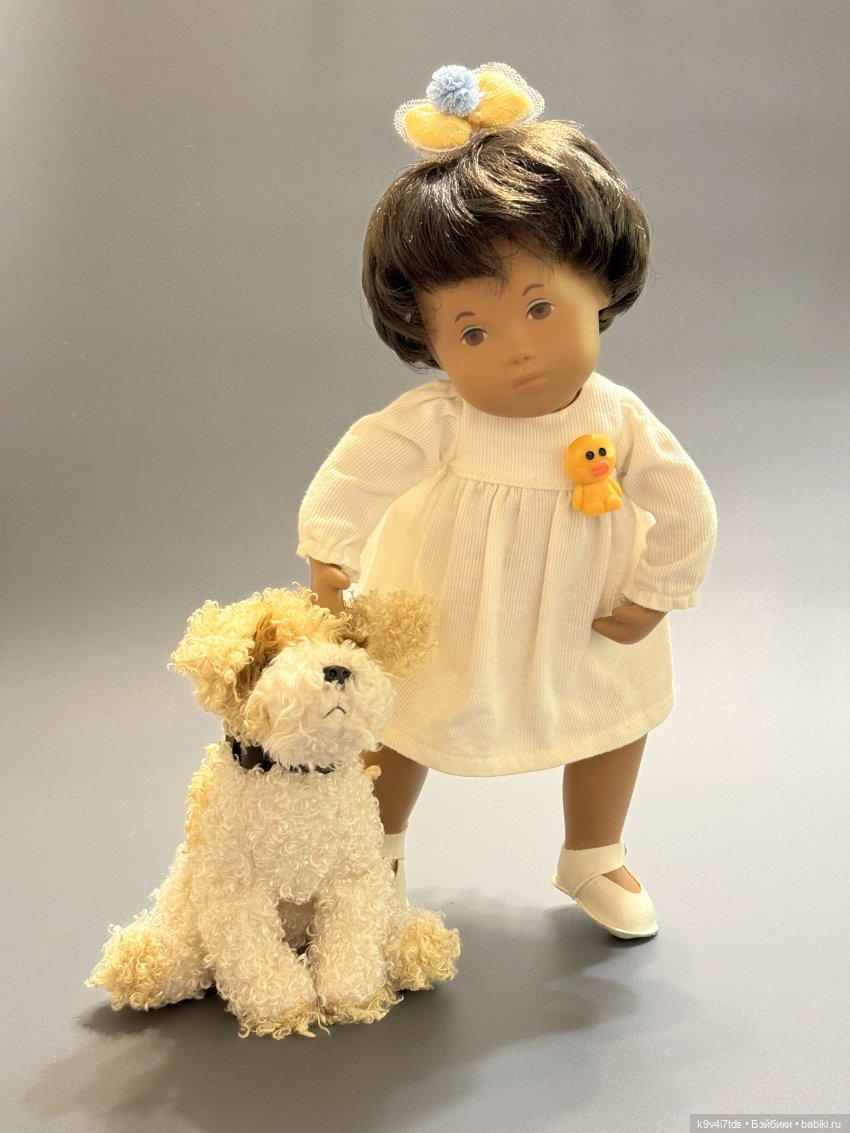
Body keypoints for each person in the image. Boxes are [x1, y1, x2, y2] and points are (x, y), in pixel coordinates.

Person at [297, 63, 717, 939]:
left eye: (540, 308)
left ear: (599, 284)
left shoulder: (617, 420)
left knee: (613, 714)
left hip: (585, 609)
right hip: (445, 606)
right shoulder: (441, 419)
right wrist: (329, 549)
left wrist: (657, 590)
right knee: (402, 716)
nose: (515, 350)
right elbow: (361, 467)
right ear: (428, 338)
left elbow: (684, 503)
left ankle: (594, 851)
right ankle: (371, 850)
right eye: (473, 330)